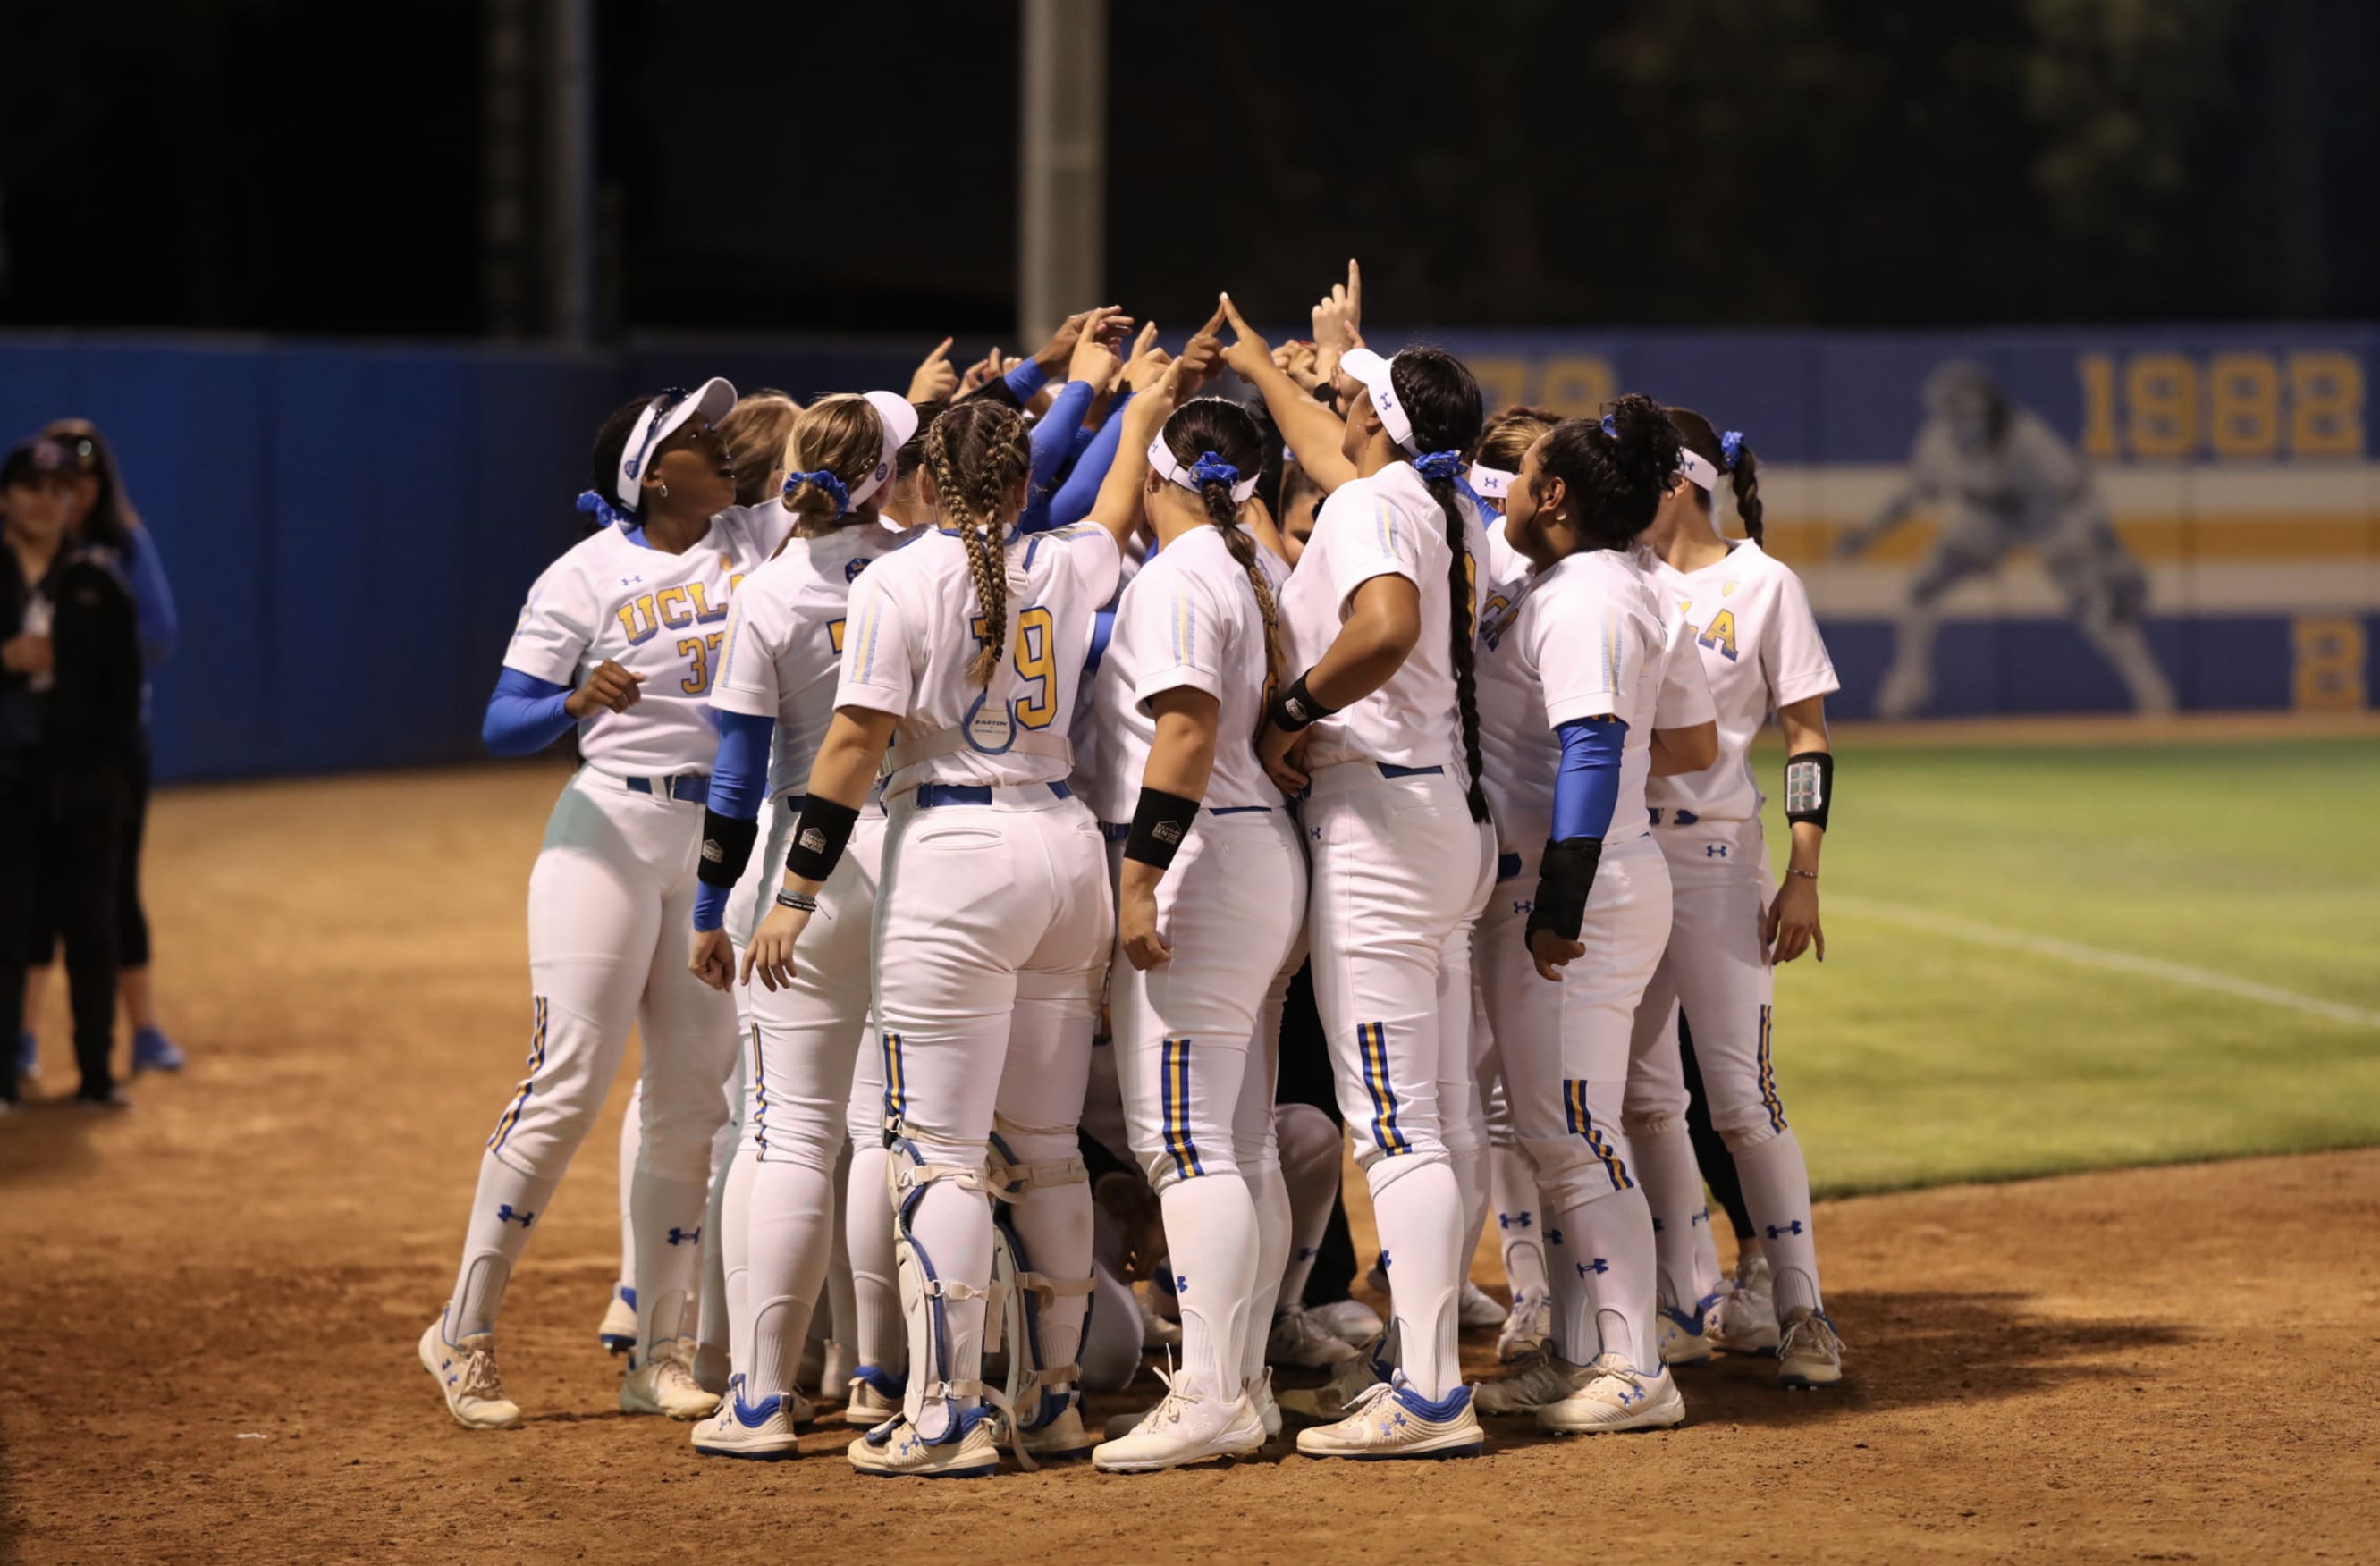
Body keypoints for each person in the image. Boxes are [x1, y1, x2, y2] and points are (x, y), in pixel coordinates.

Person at [739, 312, 1160, 1478]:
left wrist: (795, 888)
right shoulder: (1068, 558)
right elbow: (1117, 502)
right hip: (1063, 850)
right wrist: (1144, 404)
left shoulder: (900, 577)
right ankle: (1054, 1403)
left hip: (954, 859)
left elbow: (849, 747)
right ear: (1023, 479)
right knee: (1047, 1150)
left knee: (936, 1153)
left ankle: (947, 1411)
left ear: (923, 478)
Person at [421, 379, 766, 1431]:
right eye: (701, 438)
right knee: (566, 1083)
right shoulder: (581, 575)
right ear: (656, 475)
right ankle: (462, 1333)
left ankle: (658, 1352)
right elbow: (500, 725)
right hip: (606, 834)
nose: (722, 444)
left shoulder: (752, 535)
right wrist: (572, 699)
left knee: (691, 1102)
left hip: (713, 842)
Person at [1234, 307, 1500, 1460]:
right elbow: (1342, 449)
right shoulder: (1439, 505)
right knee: (1430, 1118)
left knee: (1395, 1128)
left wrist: (1289, 708)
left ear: (1377, 428)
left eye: (1352, 401)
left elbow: (1382, 627)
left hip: (1380, 820)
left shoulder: (1366, 504)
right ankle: (1427, 1365)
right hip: (1441, 811)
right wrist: (1276, 362)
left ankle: (1431, 1391)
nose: (1336, 410)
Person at [675, 390, 924, 1459]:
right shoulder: (931, 569)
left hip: (796, 867)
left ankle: (762, 1398)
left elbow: (734, 781)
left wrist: (704, 905)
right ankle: (875, 1378)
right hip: (912, 860)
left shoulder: (767, 592)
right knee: (882, 1129)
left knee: (782, 1133)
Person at [1464, 398, 1717, 1435]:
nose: (1509, 491)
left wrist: (1557, 903)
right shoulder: (1573, 581)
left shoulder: (1593, 600)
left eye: (1523, 478)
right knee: (1549, 1131)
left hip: (1578, 888)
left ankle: (1633, 1362)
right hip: (1550, 877)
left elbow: (1597, 748)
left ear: (1556, 494)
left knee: (1574, 1129)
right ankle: (1577, 1348)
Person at [1088, 396, 1304, 1472]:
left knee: (1183, 1143)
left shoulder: (1178, 576)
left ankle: (1214, 1393)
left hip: (1200, 858)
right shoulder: (1251, 567)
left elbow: (1183, 732)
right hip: (1254, 848)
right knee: (1243, 1139)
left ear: (1164, 473)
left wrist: (1140, 879)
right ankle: (1246, 1382)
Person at [1626, 408, 1845, 1388]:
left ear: (1676, 479)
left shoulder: (1762, 583)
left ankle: (1803, 1311)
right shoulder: (1615, 571)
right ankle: (1684, 1300)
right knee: (1641, 1096)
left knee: (1741, 1101)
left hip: (1719, 859)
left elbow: (1808, 736)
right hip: (1626, 858)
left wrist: (1802, 875)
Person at [1839, 359, 2173, 720]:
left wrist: (2109, 549)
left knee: (2099, 609)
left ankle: (2152, 692)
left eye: (1969, 409)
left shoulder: (2024, 435)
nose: (1962, 420)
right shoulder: (1938, 439)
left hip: (2048, 519)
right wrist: (1868, 534)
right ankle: (1911, 675)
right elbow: (1912, 496)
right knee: (1921, 589)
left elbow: (2074, 489)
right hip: (1983, 518)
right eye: (1952, 410)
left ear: (1989, 407)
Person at [17, 420, 182, 1082]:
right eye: (58, 481)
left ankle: (143, 1030)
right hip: (33, 741)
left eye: (83, 480)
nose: (73, 493)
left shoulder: (122, 542)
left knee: (116, 889)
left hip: (112, 746)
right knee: (32, 896)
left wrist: (85, 641)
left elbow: (162, 632)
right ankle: (23, 1037)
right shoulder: (23, 548)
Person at [0, 436, 144, 1113]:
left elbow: (125, 690)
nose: (46, 502)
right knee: (8, 930)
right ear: (6, 498)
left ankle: (95, 1075)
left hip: (84, 785)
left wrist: (111, 780)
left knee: (92, 927)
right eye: (31, 488)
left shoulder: (96, 580)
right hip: (7, 780)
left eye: (59, 491)